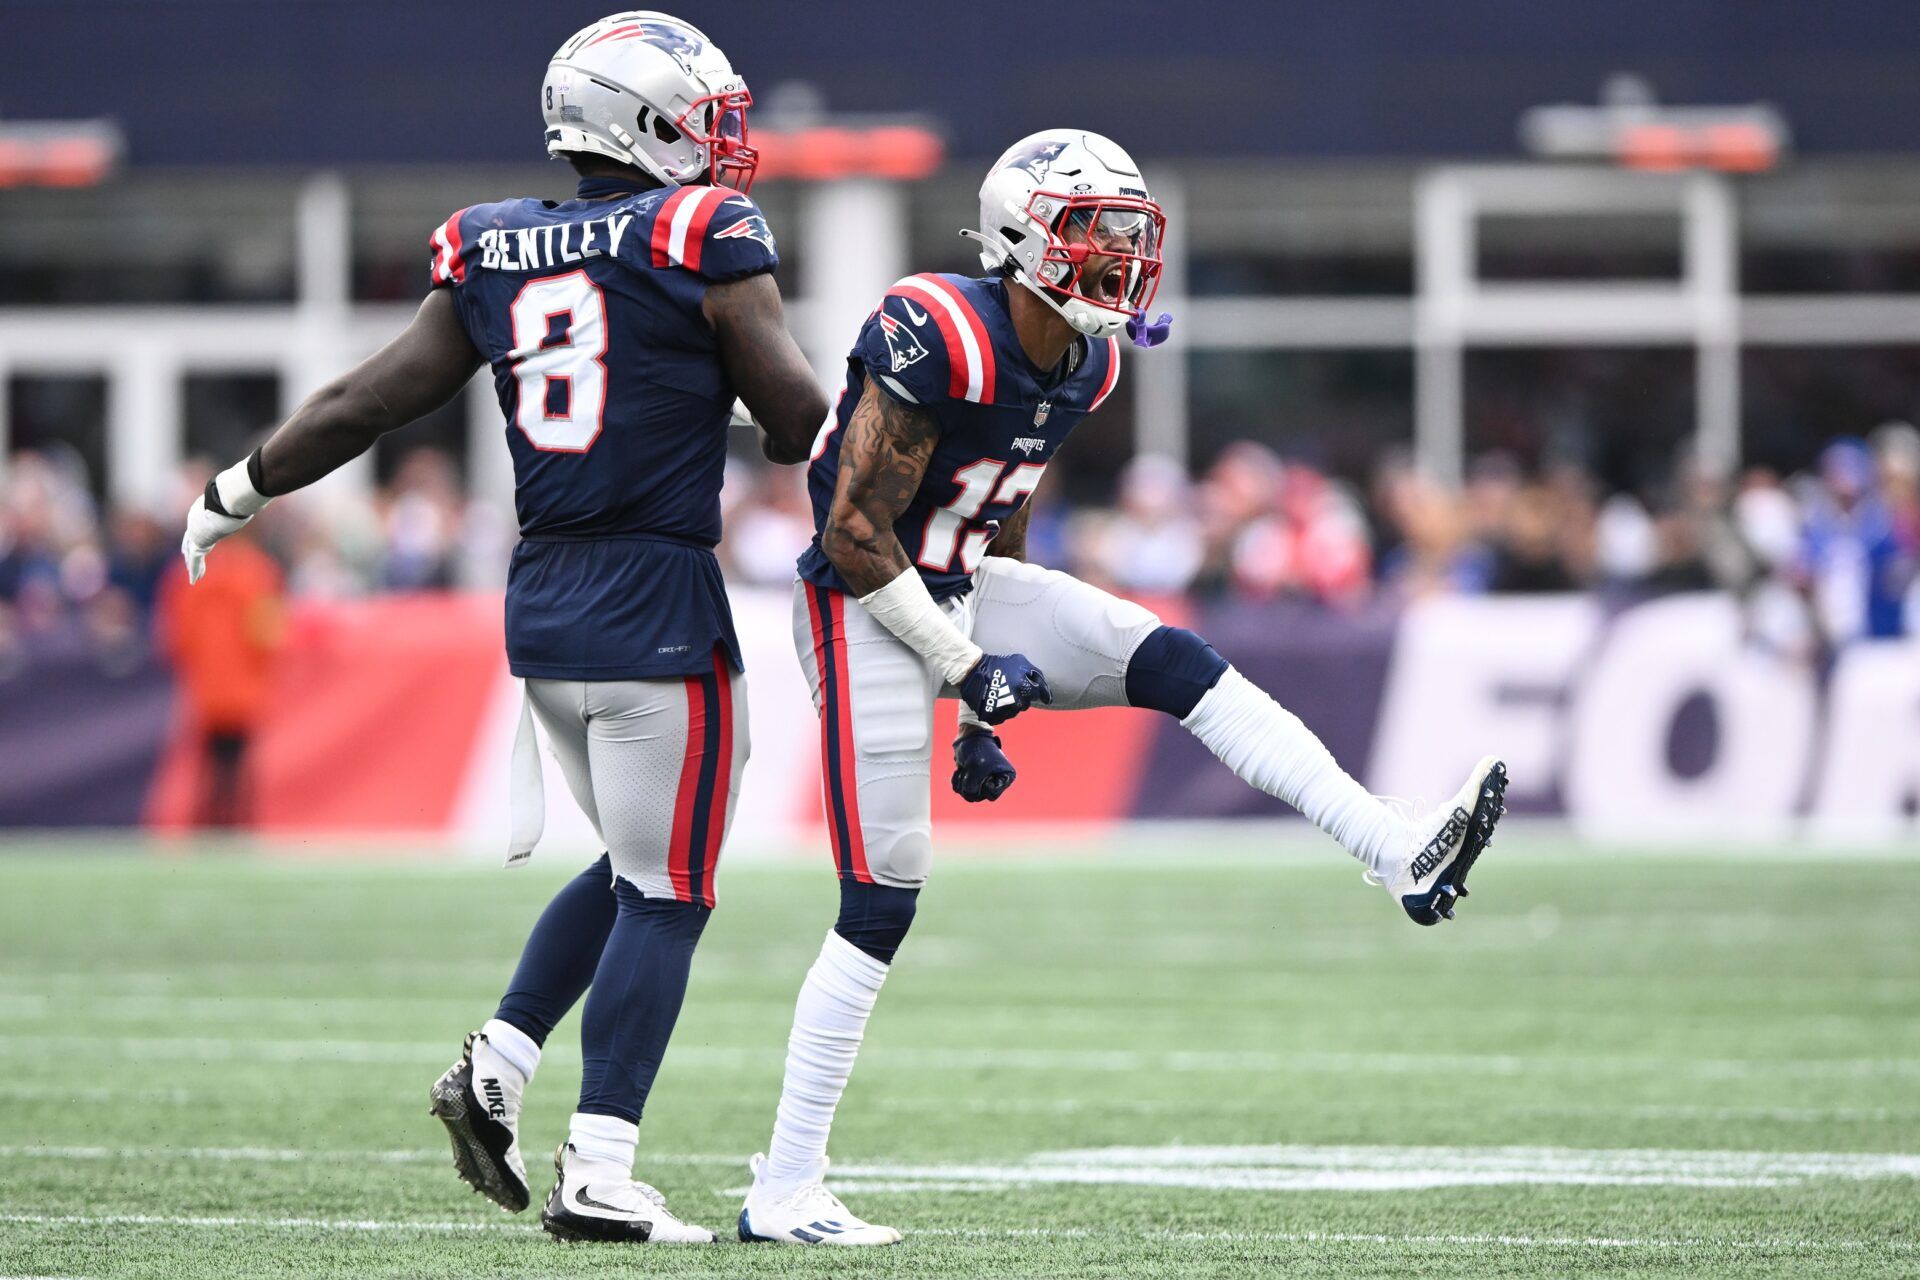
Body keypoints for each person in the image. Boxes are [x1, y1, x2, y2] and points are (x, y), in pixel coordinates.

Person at [734, 129, 1509, 1247]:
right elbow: (851, 527)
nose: (1118, 254)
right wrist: (962, 668)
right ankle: (784, 1187)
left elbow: (1001, 504)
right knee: (881, 897)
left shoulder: (1086, 357)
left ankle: (1393, 849)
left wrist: (981, 675)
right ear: (1021, 237)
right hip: (855, 600)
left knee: (1174, 658)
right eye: (1092, 230)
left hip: (958, 579)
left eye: (1125, 232)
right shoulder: (938, 326)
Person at [178, 10, 826, 1245]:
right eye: (704, 112)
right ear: (638, 119)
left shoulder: (492, 246)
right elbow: (794, 415)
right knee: (674, 888)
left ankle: (500, 1061)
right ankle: (601, 1163)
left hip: (545, 603)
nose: (725, 138)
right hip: (656, 591)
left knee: (641, 867)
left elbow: (369, 400)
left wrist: (235, 490)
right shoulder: (702, 228)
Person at [154, 509, 284, 827]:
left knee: (210, 766)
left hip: (206, 690)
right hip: (245, 691)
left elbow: (174, 637)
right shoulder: (259, 571)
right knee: (237, 767)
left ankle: (208, 823)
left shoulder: (188, 570)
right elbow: (267, 635)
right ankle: (236, 823)